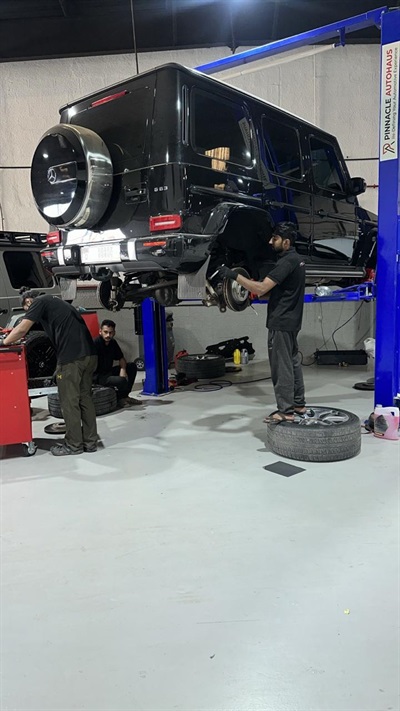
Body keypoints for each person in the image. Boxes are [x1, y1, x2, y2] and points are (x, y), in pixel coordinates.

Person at [218, 221, 310, 423]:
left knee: (281, 366)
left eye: (275, 239)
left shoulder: (286, 262)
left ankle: (285, 411)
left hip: (281, 322)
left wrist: (233, 275)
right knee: (292, 362)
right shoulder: (297, 260)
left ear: (286, 242)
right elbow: (276, 292)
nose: (270, 242)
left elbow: (261, 288)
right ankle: (298, 404)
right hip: (292, 321)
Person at [1, 289, 98, 455]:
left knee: (69, 402)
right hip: (89, 355)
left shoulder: (39, 302)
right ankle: (90, 443)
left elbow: (23, 329)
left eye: (26, 309)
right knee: (85, 399)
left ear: (29, 302)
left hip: (71, 359)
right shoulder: (56, 302)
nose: (28, 312)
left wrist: (4, 342)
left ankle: (73, 445)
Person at [93, 320, 139, 408]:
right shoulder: (95, 343)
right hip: (98, 376)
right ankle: (120, 399)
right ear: (100, 331)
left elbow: (121, 358)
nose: (108, 335)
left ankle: (125, 396)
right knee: (121, 380)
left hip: (108, 372)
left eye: (110, 333)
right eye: (105, 332)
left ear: (114, 333)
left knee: (131, 366)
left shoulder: (113, 343)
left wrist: (123, 370)